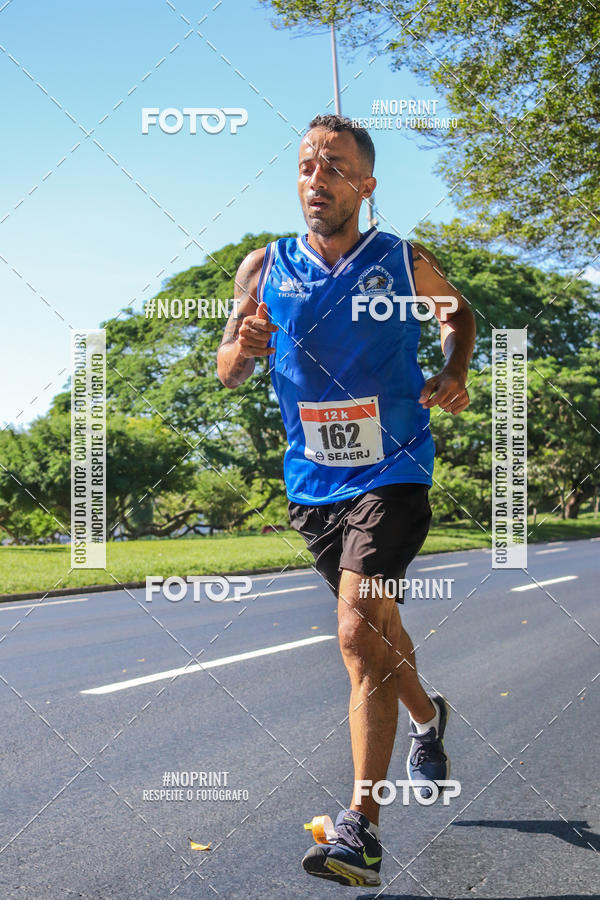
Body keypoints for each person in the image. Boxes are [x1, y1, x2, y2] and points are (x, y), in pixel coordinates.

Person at [217, 113, 476, 888]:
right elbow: (227, 365)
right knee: (379, 631)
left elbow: (456, 310)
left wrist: (453, 365)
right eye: (305, 166)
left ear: (365, 185)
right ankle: (429, 720)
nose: (315, 179)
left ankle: (360, 827)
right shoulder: (261, 267)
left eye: (332, 167)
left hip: (394, 471)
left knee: (357, 629)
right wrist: (244, 348)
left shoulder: (400, 258)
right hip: (313, 486)